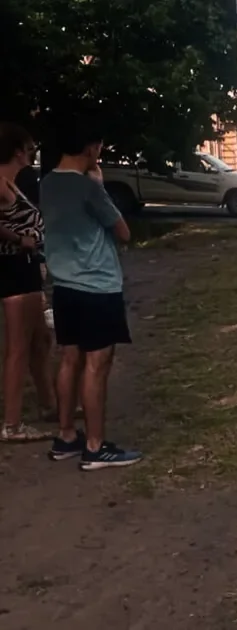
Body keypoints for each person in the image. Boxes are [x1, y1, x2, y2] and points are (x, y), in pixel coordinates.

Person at [39, 121, 140, 470]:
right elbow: (123, 232)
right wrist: (100, 186)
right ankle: (96, 447)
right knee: (97, 366)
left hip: (64, 286)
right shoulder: (88, 188)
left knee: (70, 360)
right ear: (90, 148)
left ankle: (67, 436)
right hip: (97, 286)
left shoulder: (46, 184)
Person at [0, 122, 55, 443]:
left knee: (39, 341)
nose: (33, 152)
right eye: (30, 147)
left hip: (28, 267)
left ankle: (48, 404)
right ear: (18, 150)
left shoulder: (13, 181)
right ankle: (11, 424)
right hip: (14, 268)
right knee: (18, 348)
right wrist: (20, 238)